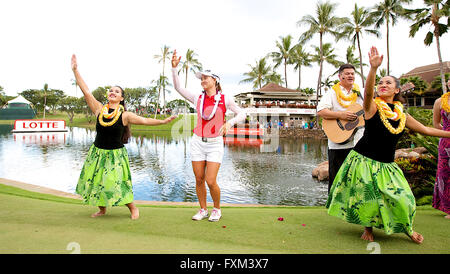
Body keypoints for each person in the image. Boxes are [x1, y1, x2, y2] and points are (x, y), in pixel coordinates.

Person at [326, 46, 450, 244]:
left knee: (404, 198)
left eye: (388, 82)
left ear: (397, 89)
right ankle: (368, 229)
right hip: (364, 160)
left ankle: (407, 228)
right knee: (367, 199)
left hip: (387, 164)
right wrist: (373, 69)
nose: (383, 84)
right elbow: (367, 95)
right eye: (381, 82)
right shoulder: (372, 107)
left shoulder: (402, 115)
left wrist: (449, 133)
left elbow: (426, 130)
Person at [71, 54, 176, 219]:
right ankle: (102, 209)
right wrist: (75, 70)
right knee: (97, 182)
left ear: (121, 98)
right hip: (98, 153)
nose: (113, 92)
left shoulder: (125, 115)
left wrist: (163, 122)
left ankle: (133, 208)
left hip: (115, 155)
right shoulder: (99, 109)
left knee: (118, 183)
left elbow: (145, 120)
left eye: (117, 91)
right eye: (111, 90)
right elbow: (86, 91)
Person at [171, 50, 246, 222]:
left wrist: (229, 123)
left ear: (215, 80)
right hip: (197, 142)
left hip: (214, 144)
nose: (203, 80)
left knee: (211, 181)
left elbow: (242, 113)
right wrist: (174, 69)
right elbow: (178, 88)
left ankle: (217, 209)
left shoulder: (225, 99)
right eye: (201, 78)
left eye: (206, 77)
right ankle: (203, 209)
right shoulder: (198, 97)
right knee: (199, 179)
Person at [317, 64, 364, 193]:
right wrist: (341, 115)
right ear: (340, 76)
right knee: (337, 176)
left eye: (352, 74)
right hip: (338, 142)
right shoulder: (332, 92)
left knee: (356, 177)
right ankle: (333, 205)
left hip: (358, 142)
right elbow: (321, 111)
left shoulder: (361, 92)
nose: (350, 76)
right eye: (347, 73)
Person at [432, 78, 450, 219]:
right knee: (445, 174)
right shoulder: (439, 102)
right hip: (446, 142)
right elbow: (436, 124)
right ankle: (448, 208)